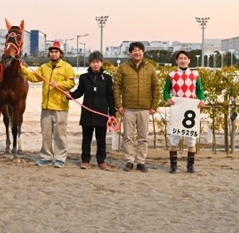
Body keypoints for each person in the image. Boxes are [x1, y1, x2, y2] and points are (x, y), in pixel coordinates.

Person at [20, 41, 75, 168]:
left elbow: (71, 83)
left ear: (61, 54)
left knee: (60, 134)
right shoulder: (44, 67)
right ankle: (46, 157)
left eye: (56, 52)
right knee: (46, 133)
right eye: (51, 52)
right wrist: (22, 68)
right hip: (46, 107)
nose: (53, 54)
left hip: (60, 107)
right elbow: (34, 77)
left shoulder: (67, 67)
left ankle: (60, 158)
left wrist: (58, 84)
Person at [113, 42, 160, 173]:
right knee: (128, 136)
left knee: (143, 136)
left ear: (143, 53)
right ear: (130, 53)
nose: (137, 52)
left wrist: (153, 106)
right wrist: (119, 105)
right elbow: (116, 87)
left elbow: (156, 88)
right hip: (128, 108)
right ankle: (129, 160)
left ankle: (141, 161)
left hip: (145, 108)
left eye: (139, 50)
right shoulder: (123, 67)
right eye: (134, 50)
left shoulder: (150, 68)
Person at [69, 51, 116, 171]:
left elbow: (110, 97)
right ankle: (85, 161)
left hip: (101, 113)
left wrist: (112, 114)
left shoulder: (107, 79)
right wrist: (70, 95)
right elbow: (79, 92)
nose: (95, 64)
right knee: (86, 139)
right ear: (89, 63)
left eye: (98, 62)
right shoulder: (84, 78)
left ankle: (101, 161)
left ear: (101, 63)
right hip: (87, 113)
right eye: (93, 62)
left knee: (101, 139)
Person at [163, 50, 205, 173]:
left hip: (190, 109)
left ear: (189, 60)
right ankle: (173, 166)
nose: (182, 60)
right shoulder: (171, 75)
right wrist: (167, 99)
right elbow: (166, 91)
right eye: (180, 58)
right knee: (174, 138)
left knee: (191, 139)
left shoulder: (195, 75)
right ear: (176, 61)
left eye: (185, 58)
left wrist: (202, 100)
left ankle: (190, 166)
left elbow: (200, 91)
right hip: (177, 109)